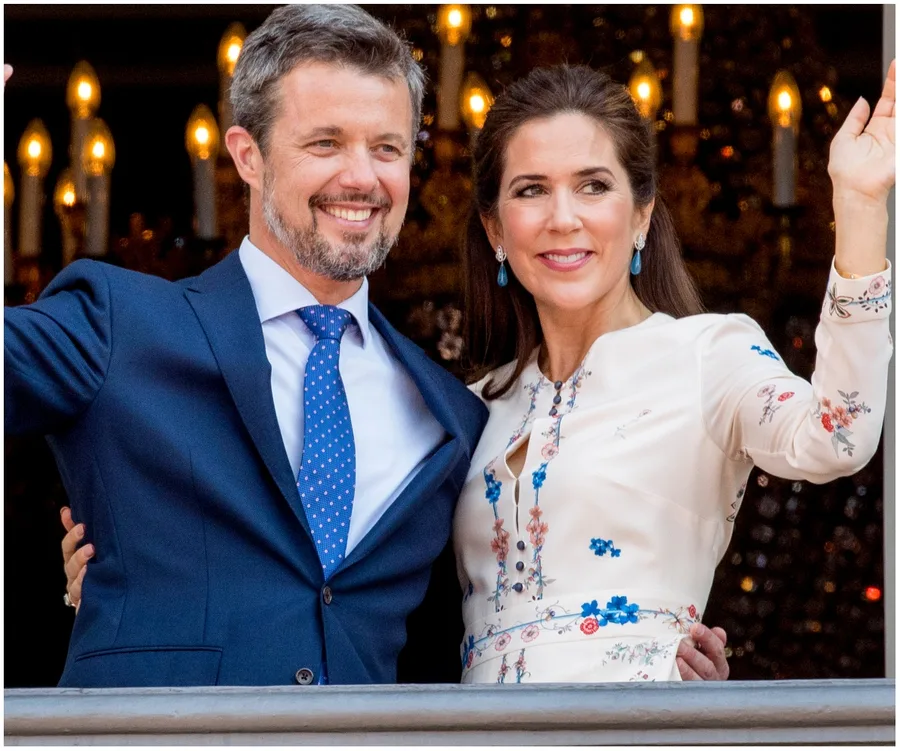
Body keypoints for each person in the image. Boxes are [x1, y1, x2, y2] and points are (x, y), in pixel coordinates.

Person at [23, 6, 729, 686]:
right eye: (325, 143)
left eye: (387, 148)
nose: (362, 177)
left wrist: (651, 658)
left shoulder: (454, 418)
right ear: (248, 155)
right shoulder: (118, 322)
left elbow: (479, 634)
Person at [452, 62, 893, 683]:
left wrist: (861, 205)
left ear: (642, 215)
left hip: (638, 723)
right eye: (530, 190)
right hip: (478, 728)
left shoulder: (708, 356)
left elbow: (839, 436)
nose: (563, 217)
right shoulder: (470, 407)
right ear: (495, 228)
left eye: (593, 186)